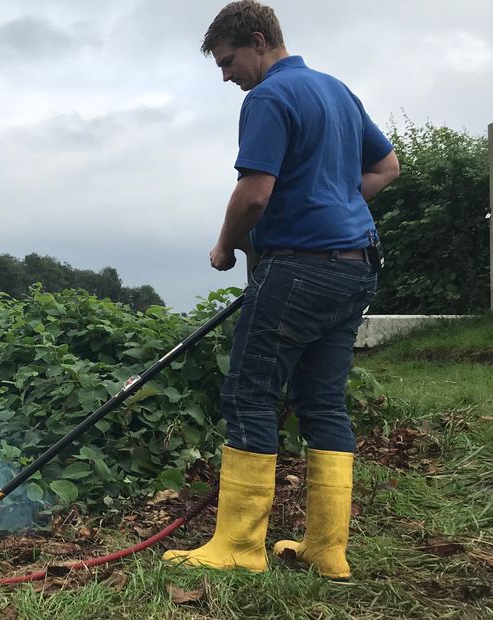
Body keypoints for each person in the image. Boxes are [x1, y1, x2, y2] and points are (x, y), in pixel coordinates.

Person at [161, 1, 400, 578]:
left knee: (248, 393)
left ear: (259, 40)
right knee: (321, 401)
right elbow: (387, 166)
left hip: (300, 270)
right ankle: (327, 551)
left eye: (227, 61)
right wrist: (335, 206)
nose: (226, 75)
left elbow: (254, 194)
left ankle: (240, 549)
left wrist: (224, 246)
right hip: (356, 267)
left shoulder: (267, 98)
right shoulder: (336, 90)